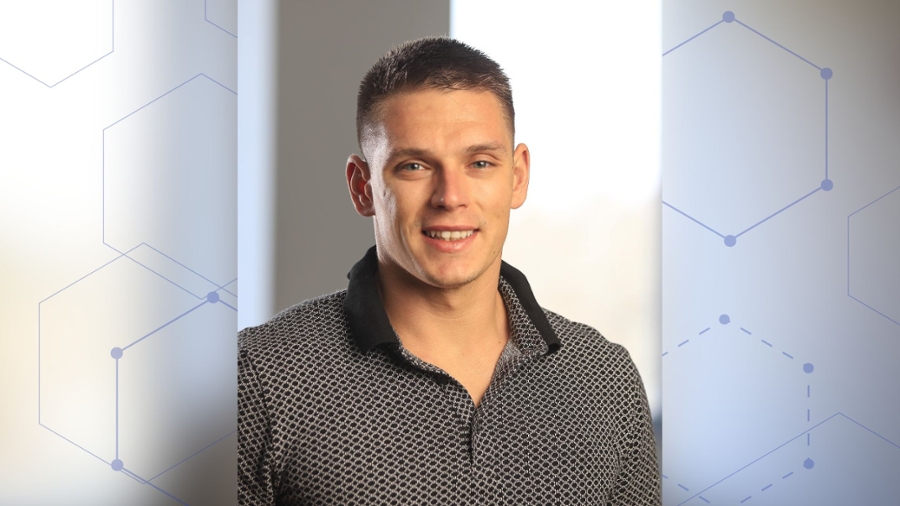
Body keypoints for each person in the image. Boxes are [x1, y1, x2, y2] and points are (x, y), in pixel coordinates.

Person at [238, 36, 660, 505]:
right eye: (414, 166)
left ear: (517, 176)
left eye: (480, 162)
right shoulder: (262, 375)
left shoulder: (604, 379)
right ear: (363, 187)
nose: (450, 196)